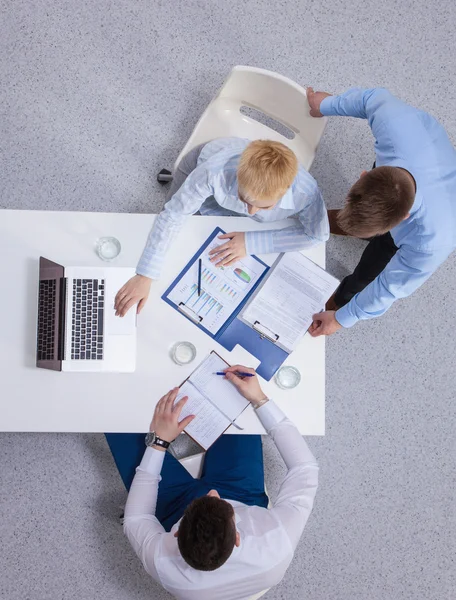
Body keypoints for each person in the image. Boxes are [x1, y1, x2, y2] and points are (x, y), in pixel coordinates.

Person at [106, 365, 318, 600]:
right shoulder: (277, 540)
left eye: (207, 498)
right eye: (218, 500)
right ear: (238, 536)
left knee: (115, 417)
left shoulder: (163, 564)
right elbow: (305, 469)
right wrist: (260, 399)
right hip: (241, 495)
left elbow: (137, 518)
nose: (212, 491)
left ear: (175, 535)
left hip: (174, 507)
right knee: (231, 396)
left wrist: (159, 441)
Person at [114, 137, 329, 316]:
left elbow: (317, 236)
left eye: (263, 206)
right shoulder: (214, 171)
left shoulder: (306, 193)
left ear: (286, 190)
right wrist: (145, 275)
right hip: (200, 174)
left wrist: (250, 242)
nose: (252, 213)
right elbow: (174, 214)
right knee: (181, 236)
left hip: (230, 210)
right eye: (245, 200)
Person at [305, 87, 456, 338]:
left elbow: (388, 288)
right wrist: (326, 105)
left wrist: (341, 318)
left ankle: (340, 298)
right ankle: (335, 224)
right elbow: (369, 99)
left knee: (367, 276)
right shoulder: (393, 126)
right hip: (416, 145)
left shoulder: (431, 242)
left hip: (441, 206)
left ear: (402, 220)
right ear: (366, 175)